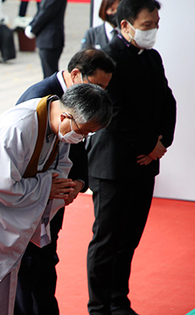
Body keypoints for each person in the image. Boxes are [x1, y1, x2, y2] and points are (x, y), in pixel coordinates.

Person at [0, 83, 113, 315]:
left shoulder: (59, 127)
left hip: (5, 229)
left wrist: (64, 187)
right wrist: (47, 187)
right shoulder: (18, 128)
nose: (82, 137)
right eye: (84, 131)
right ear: (66, 115)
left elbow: (61, 167)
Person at [86, 1, 176, 314]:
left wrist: (161, 143)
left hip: (145, 163)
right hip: (111, 165)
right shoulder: (107, 57)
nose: (154, 31)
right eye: (147, 24)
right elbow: (114, 111)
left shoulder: (152, 57)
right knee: (107, 240)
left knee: (129, 239)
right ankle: (99, 307)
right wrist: (148, 145)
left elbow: (168, 101)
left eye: (156, 24)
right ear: (125, 25)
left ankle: (118, 301)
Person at [14, 48, 115, 315]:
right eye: (98, 85)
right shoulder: (36, 103)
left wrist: (78, 183)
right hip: (29, 208)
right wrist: (47, 189)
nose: (101, 93)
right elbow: (11, 175)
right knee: (27, 277)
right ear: (75, 75)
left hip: (53, 203)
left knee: (45, 270)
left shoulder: (80, 109)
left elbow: (75, 152)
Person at [24, 0, 67, 78]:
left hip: (50, 39)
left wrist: (33, 28)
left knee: (50, 75)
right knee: (49, 74)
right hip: (49, 38)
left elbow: (46, 13)